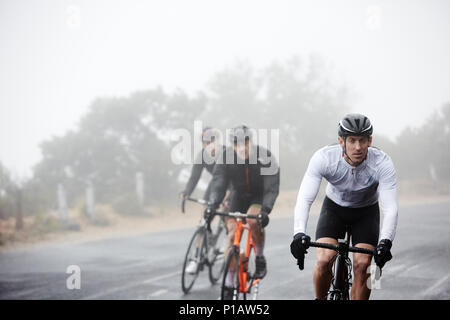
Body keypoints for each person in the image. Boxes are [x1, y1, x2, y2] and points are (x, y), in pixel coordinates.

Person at [290, 113, 398, 300]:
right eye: (352, 141)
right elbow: (304, 199)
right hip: (334, 209)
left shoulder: (382, 163)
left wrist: (385, 242)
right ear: (341, 141)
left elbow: (390, 208)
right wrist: (298, 233)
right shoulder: (324, 158)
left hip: (366, 212)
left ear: (370, 140)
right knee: (324, 261)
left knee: (363, 265)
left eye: (362, 140)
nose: (358, 147)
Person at [206, 124, 280, 300]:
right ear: (232, 145)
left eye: (245, 142)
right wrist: (212, 205)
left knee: (254, 221)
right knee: (232, 236)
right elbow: (218, 183)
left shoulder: (265, 156)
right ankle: (229, 284)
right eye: (237, 143)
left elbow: (271, 187)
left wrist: (266, 209)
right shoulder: (226, 158)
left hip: (258, 197)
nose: (241, 147)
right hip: (238, 197)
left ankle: (260, 257)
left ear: (251, 141)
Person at [180, 126, 228, 274]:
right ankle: (196, 258)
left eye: (212, 141)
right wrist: (186, 192)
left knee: (227, 213)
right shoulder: (201, 156)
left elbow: (233, 180)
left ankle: (226, 244)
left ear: (217, 141)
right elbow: (194, 177)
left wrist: (226, 198)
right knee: (203, 220)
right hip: (214, 185)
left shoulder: (227, 153)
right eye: (206, 142)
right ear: (203, 144)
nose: (210, 145)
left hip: (230, 184)